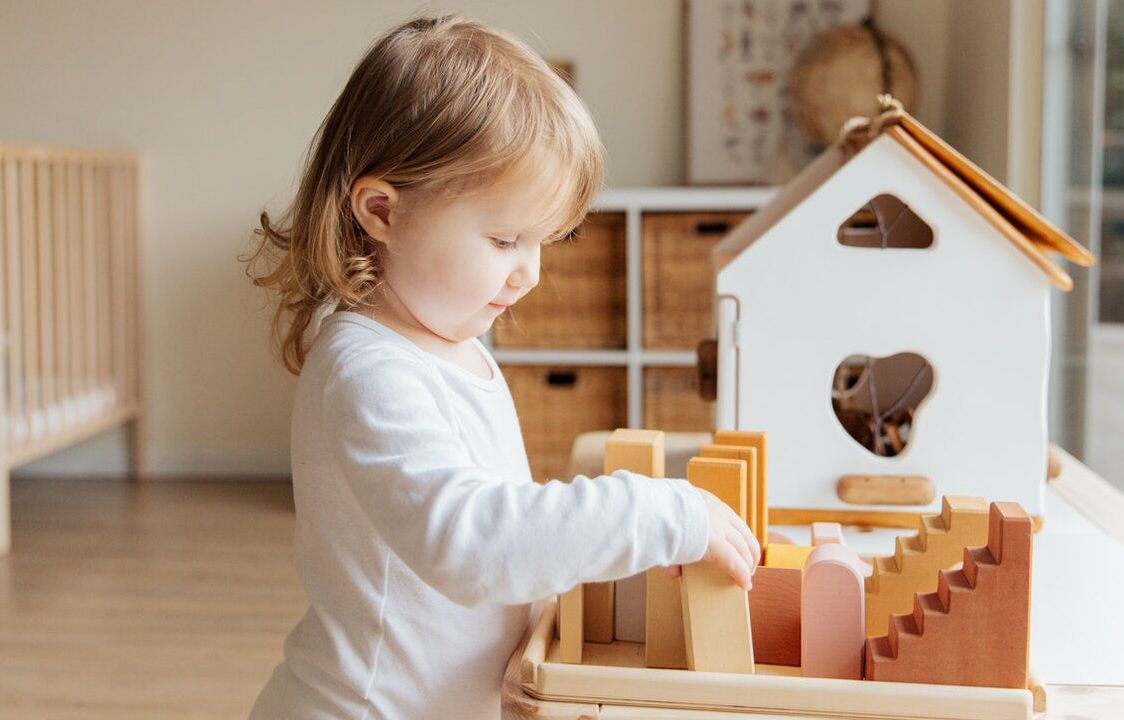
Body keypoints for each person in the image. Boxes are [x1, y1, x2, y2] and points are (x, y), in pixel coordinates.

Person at [242, 15, 759, 719]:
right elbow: (471, 541)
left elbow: (496, 538)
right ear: (382, 212)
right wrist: (654, 509)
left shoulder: (455, 347)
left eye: (543, 242)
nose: (529, 275)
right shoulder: (368, 372)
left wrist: (527, 636)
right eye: (505, 239)